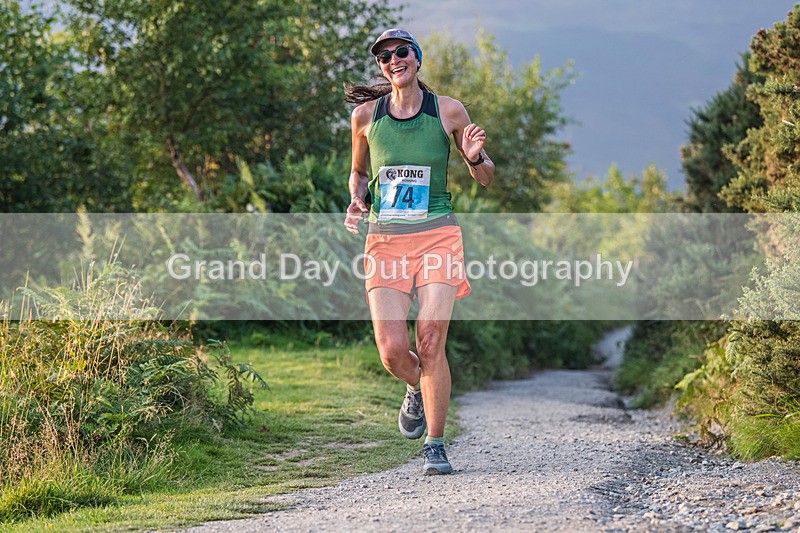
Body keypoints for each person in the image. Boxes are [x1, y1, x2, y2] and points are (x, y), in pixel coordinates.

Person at [344, 28, 494, 475]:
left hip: (437, 236)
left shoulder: (447, 110)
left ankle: (435, 443)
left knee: (429, 341)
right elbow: (357, 174)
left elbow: (486, 178)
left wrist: (472, 157)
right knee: (392, 351)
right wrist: (356, 199)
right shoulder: (366, 118)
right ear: (382, 68)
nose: (394, 60)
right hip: (385, 239)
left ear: (417, 58)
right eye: (385, 57)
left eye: (401, 52)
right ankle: (419, 389)